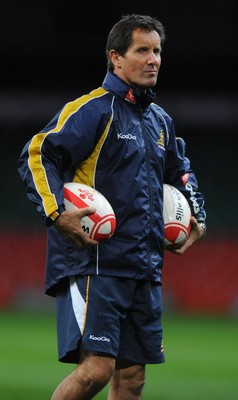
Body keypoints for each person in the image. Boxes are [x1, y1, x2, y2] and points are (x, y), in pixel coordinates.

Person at [18, 13, 206, 400]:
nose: (153, 59)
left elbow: (181, 171)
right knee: (96, 371)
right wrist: (56, 213)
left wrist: (195, 215)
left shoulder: (161, 122)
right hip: (96, 263)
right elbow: (38, 153)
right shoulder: (94, 109)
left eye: (157, 51)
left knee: (133, 378)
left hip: (144, 265)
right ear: (115, 58)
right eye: (142, 50)